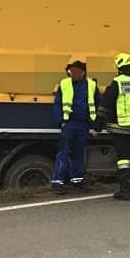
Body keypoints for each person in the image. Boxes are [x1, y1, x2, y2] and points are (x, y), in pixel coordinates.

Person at [93, 52, 130, 200]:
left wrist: (96, 126)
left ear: (120, 68)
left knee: (123, 159)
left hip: (120, 127)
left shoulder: (117, 82)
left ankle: (126, 191)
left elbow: (105, 106)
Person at [51, 60, 99, 193]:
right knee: (64, 153)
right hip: (69, 124)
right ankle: (57, 182)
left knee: (78, 153)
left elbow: (97, 104)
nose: (72, 73)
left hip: (83, 124)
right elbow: (57, 104)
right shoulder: (64, 84)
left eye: (75, 71)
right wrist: (61, 121)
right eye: (71, 71)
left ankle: (77, 181)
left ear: (83, 72)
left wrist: (94, 125)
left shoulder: (92, 85)